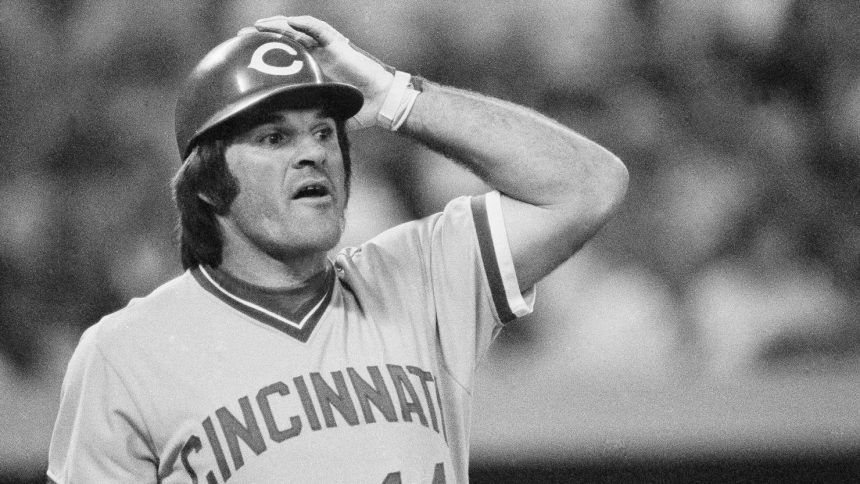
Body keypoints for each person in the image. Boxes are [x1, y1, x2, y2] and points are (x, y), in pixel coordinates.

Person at [47, 15, 628, 484]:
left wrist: (399, 98)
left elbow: (589, 186)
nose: (313, 153)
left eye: (324, 132)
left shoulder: (417, 276)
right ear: (205, 181)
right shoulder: (124, 355)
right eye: (275, 137)